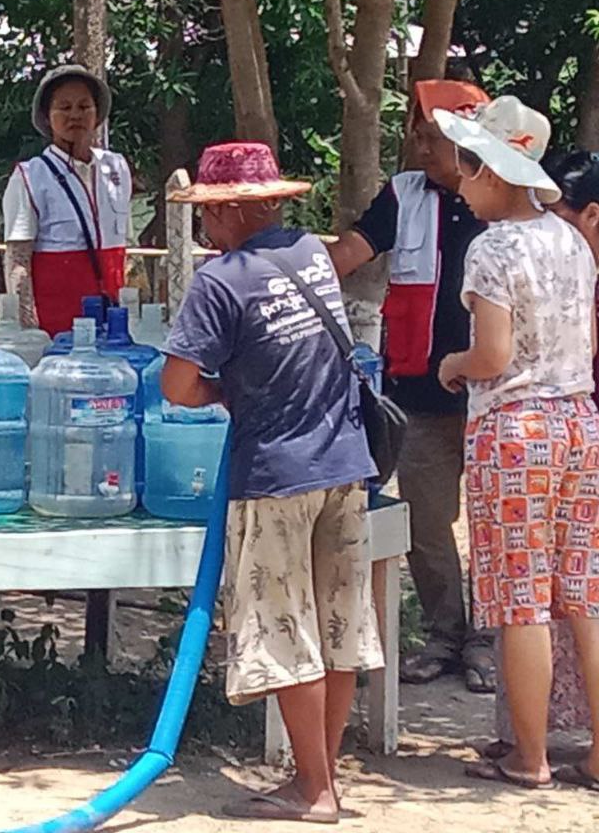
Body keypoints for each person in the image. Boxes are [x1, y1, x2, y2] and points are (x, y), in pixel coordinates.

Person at [162, 142, 382, 823]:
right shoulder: (313, 254)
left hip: (276, 474)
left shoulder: (221, 280)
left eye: (211, 212)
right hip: (345, 465)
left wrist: (221, 392)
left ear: (232, 210)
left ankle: (312, 789)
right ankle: (322, 776)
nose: (206, 225)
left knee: (288, 631)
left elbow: (177, 384)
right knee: (336, 627)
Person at [433, 103, 599, 791]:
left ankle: (529, 756)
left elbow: (494, 355)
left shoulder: (492, 249)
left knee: (520, 597)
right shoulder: (571, 240)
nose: (459, 180)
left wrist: (453, 365)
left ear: (493, 173)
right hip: (579, 420)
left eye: (466, 166)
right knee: (582, 593)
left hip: (516, 430)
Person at [326, 79, 497, 693]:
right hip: (420, 394)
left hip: (496, 397)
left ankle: (492, 642)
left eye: (431, 138)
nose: (420, 149)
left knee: (495, 526)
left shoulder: (507, 200)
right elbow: (353, 249)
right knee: (428, 524)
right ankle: (446, 635)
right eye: (418, 137)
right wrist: (288, 270)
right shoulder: (403, 194)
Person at [2, 64, 132, 337]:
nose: (75, 115)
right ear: (47, 117)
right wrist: (29, 331)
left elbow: (128, 247)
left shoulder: (116, 167)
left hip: (112, 320)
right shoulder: (30, 175)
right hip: (57, 325)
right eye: (64, 107)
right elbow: (18, 261)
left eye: (84, 107)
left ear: (97, 114)